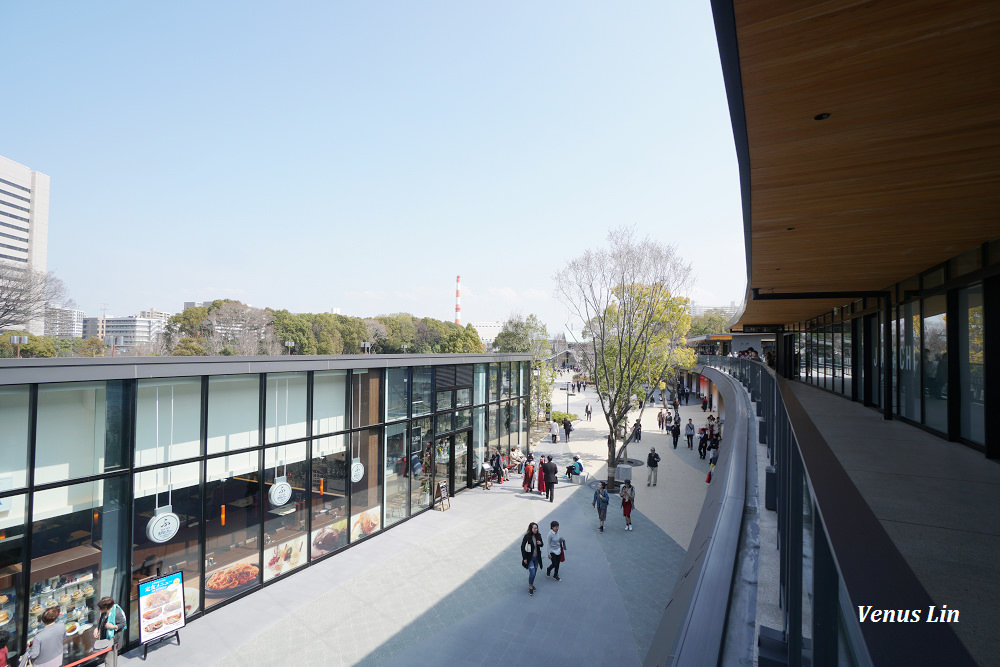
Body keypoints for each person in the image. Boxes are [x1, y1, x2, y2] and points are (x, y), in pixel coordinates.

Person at [521, 522, 544, 596]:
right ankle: (530, 586)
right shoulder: (527, 537)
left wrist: (540, 543)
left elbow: (542, 544)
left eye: (537, 528)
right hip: (530, 558)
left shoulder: (538, 536)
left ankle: (531, 583)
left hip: (537, 558)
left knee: (535, 573)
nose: (536, 529)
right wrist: (524, 558)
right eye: (534, 528)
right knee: (532, 572)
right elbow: (522, 547)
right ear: (531, 529)